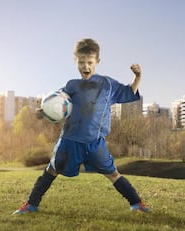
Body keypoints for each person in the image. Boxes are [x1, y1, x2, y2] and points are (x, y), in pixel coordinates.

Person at [13, 38, 150, 214]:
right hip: (70, 140)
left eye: (90, 62)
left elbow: (129, 92)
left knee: (113, 173)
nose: (86, 66)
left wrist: (137, 77)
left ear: (97, 62)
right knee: (51, 170)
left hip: (95, 142)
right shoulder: (72, 85)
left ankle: (137, 203)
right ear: (75, 60)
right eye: (82, 62)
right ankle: (31, 205)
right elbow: (56, 104)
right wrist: (44, 112)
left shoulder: (107, 85)